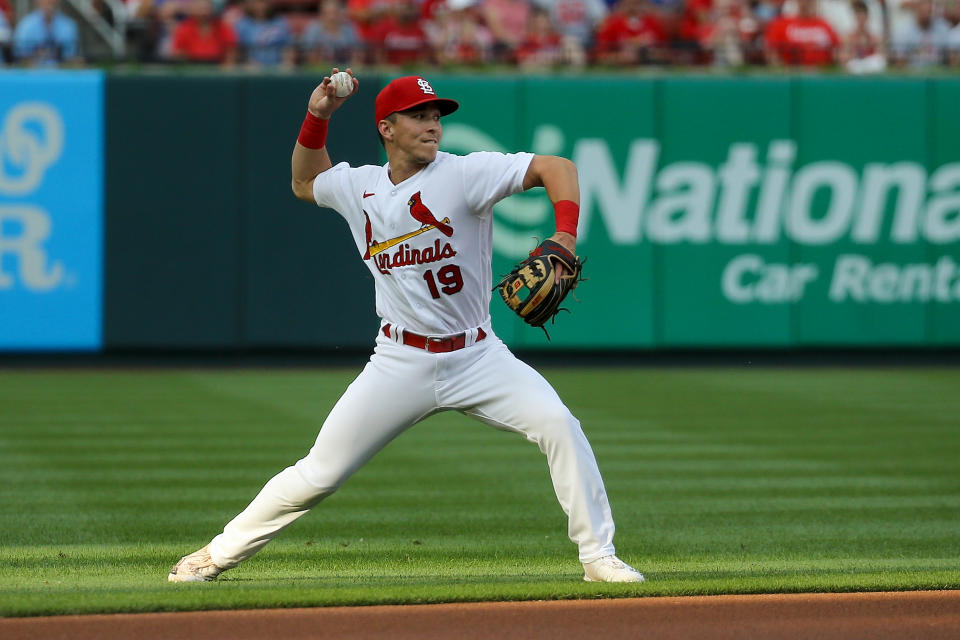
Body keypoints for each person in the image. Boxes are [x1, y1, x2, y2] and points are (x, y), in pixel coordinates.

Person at [168, 71, 643, 585]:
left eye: (437, 116)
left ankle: (598, 556)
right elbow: (304, 183)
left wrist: (565, 237)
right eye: (420, 115)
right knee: (319, 474)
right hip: (399, 361)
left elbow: (557, 167)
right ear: (387, 128)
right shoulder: (359, 187)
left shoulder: (465, 174)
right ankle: (214, 556)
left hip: (478, 355)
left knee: (559, 425)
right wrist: (319, 114)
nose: (433, 125)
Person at [764, 0, 840, 66]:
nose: (806, 3)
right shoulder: (782, 24)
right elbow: (770, 51)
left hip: (821, 74)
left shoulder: (825, 25)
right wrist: (783, 70)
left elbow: (837, 50)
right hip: (791, 74)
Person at [12, 0, 82, 66]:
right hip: (32, 76)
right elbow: (19, 58)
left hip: (62, 76)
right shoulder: (25, 25)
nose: (49, 1)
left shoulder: (69, 25)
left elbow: (71, 57)